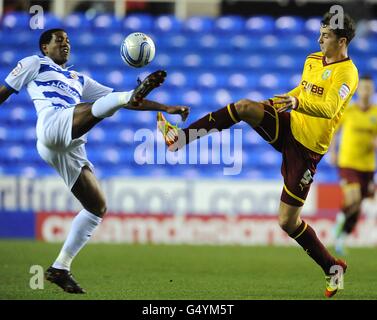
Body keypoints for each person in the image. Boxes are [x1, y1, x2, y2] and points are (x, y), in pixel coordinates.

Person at [157, 12, 358, 298]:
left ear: (342, 41)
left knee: (287, 222)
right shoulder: (313, 59)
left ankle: (332, 267)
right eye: (320, 33)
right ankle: (180, 138)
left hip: (307, 150)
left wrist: (296, 101)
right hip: (290, 126)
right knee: (245, 107)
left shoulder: (347, 74)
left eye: (325, 36)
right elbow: (300, 90)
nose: (319, 39)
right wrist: (276, 102)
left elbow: (328, 108)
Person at [0, 28, 189, 294]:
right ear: (44, 47)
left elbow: (120, 102)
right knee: (101, 107)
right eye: (59, 41)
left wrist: (166, 108)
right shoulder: (34, 63)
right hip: (52, 125)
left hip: (69, 145)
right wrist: (130, 95)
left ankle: (60, 268)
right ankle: (132, 91)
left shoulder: (78, 79)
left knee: (97, 207)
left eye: (68, 41)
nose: (65, 45)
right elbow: (4, 92)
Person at [330, 75, 377, 256]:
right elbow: (335, 131)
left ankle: (342, 236)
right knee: (354, 196)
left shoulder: (375, 113)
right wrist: (333, 151)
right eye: (363, 88)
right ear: (359, 91)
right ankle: (341, 220)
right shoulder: (348, 111)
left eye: (369, 89)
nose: (365, 92)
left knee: (357, 205)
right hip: (348, 162)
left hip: (367, 166)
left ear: (372, 91)